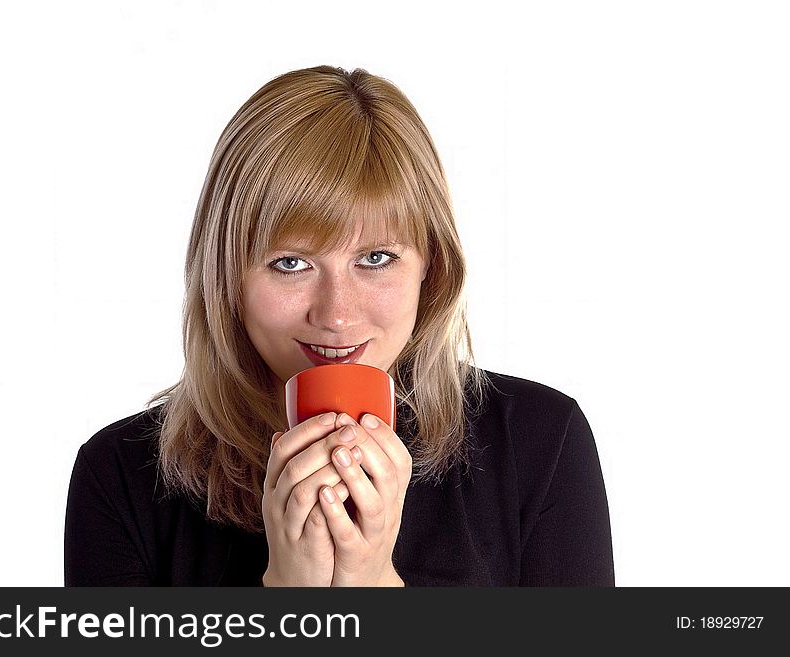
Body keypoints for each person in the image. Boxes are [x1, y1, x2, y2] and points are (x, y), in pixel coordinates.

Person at [64, 65, 615, 586]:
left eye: (376, 258)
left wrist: (373, 587)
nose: (336, 315)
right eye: (290, 263)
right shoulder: (120, 476)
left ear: (433, 266)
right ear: (226, 277)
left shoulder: (538, 440)